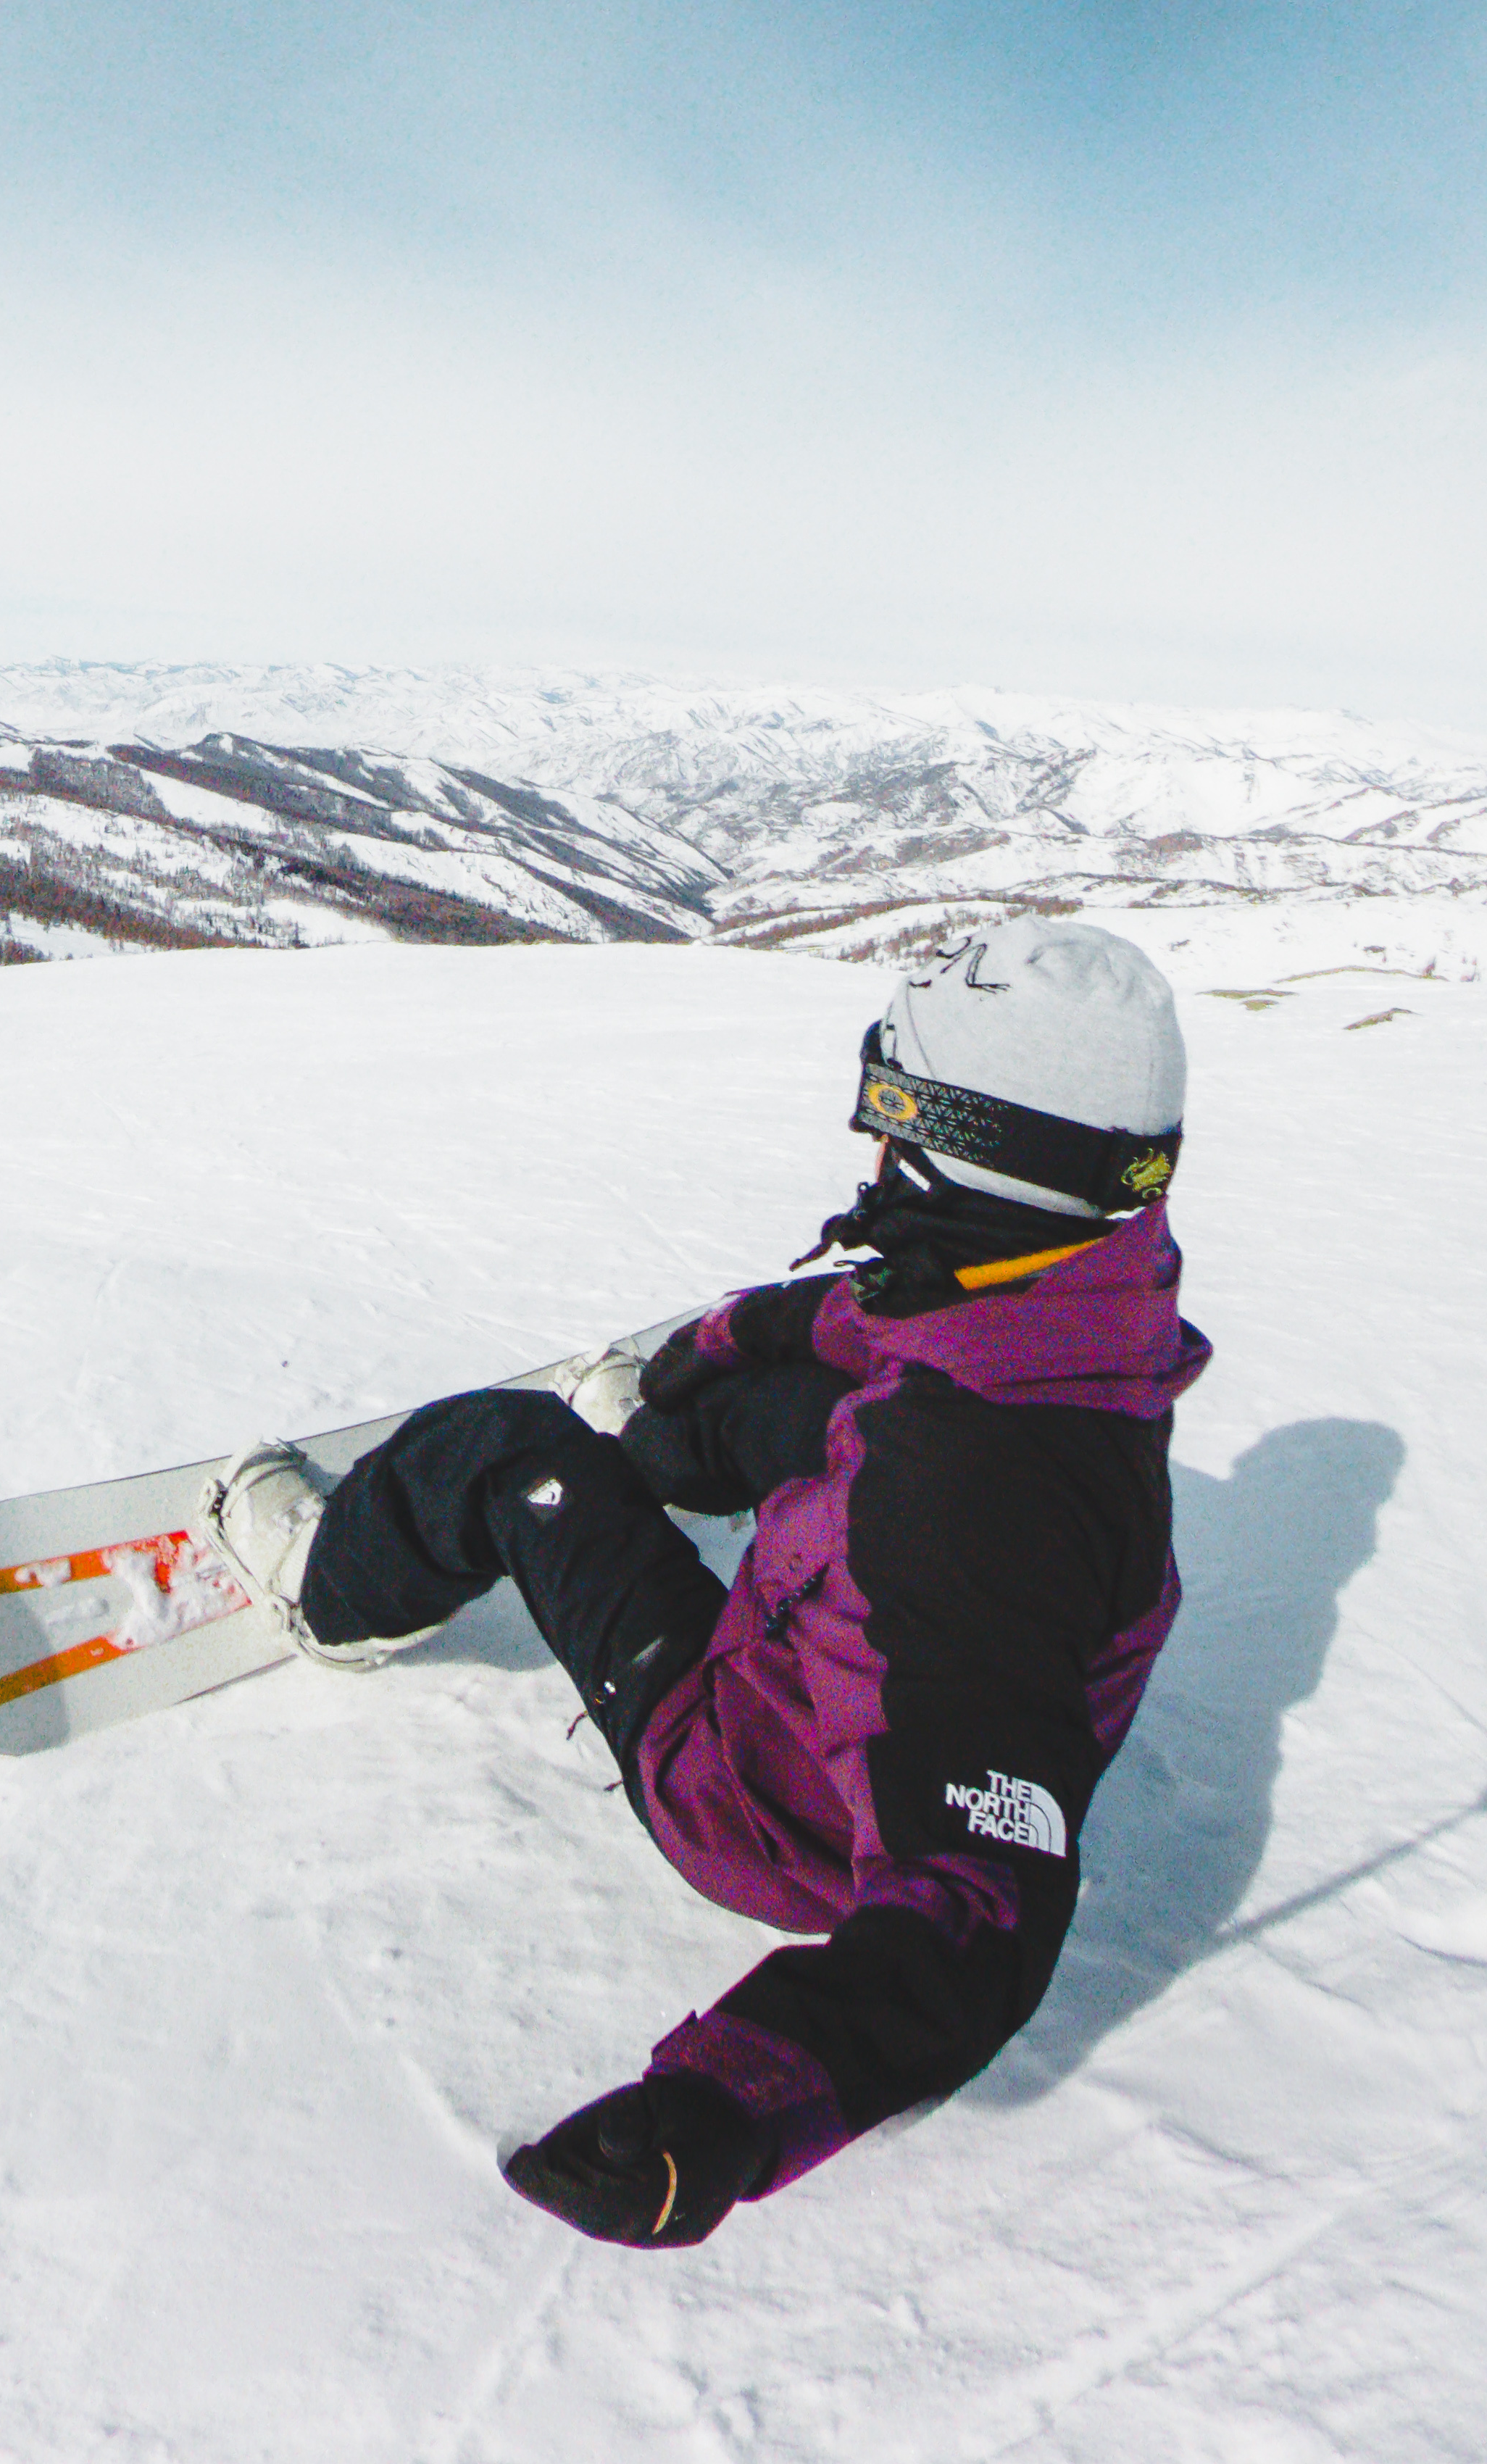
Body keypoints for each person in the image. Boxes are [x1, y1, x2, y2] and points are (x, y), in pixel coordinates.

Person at [198, 920, 1209, 2247]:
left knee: (506, 1451)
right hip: (858, 1625)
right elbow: (883, 1319)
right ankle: (655, 1440)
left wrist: (732, 2106)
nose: (881, 1155)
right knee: (762, 1407)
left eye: (899, 1125)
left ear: (965, 1142)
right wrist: (729, 1345)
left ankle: (327, 1591)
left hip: (754, 1787)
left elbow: (980, 1904)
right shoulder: (1068, 1305)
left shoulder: (961, 1509)